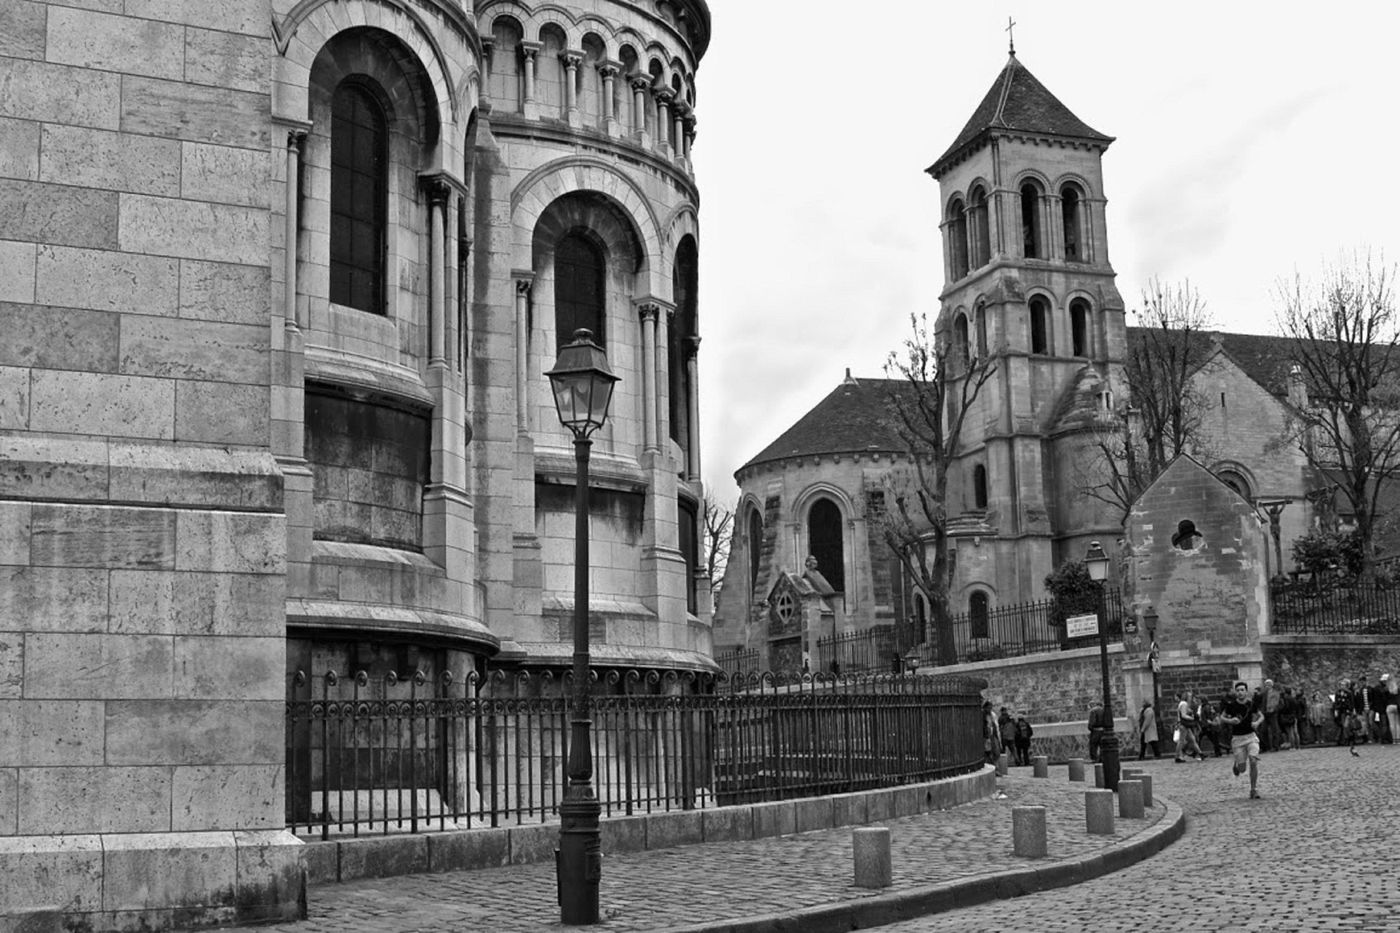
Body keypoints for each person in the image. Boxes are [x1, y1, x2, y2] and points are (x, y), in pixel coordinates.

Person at [1220, 680, 1265, 799]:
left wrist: (1257, 722)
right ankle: (1237, 764)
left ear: (1246, 692)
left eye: (1242, 690)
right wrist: (1230, 721)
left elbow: (1261, 716)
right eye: (1238, 690)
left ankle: (1253, 789)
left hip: (1251, 737)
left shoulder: (1251, 704)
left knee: (1253, 760)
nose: (1240, 692)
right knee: (1242, 769)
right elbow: (1221, 717)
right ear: (1236, 692)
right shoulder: (1231, 706)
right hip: (1237, 739)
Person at [1175, 690, 1203, 762]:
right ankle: (1177, 756)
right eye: (1190, 696)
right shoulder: (1184, 703)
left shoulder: (1183, 704)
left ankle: (1200, 753)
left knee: (1192, 739)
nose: (1191, 698)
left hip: (1185, 725)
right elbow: (1183, 715)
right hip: (1184, 725)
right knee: (1181, 741)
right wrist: (1191, 718)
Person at [1384, 673, 1399, 745]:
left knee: (1391, 724)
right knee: (1397, 724)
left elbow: (1384, 699)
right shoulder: (1397, 689)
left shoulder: (1386, 689)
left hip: (1389, 706)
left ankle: (1394, 740)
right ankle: (1398, 739)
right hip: (1396, 706)